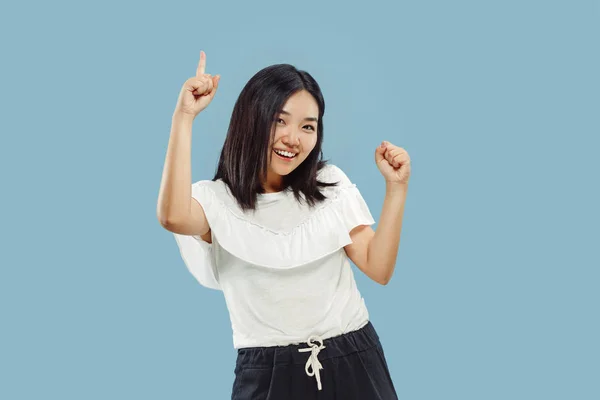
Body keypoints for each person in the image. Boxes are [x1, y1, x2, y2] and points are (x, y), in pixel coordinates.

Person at [157, 50, 411, 400]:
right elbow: (171, 215)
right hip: (269, 374)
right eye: (280, 120)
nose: (294, 138)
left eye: (308, 126)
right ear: (252, 119)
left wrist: (396, 189)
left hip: (355, 359)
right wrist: (184, 117)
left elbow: (379, 268)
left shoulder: (329, 185)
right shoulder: (215, 201)